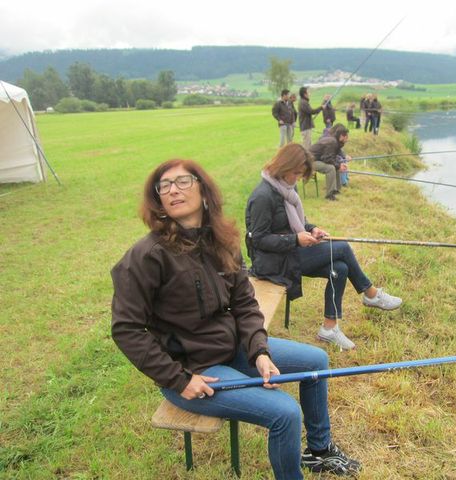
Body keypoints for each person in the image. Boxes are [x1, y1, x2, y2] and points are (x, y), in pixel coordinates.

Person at [111, 159, 361, 479]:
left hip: (231, 348)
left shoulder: (223, 241)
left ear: (204, 191)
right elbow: (126, 329)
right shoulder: (147, 256)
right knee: (285, 413)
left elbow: (244, 303)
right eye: (164, 186)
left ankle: (319, 451)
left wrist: (260, 352)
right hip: (194, 369)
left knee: (316, 360)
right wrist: (179, 379)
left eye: (182, 182)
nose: (173, 190)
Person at [245, 144, 403, 351]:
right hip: (273, 262)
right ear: (284, 167)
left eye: (301, 174)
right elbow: (258, 239)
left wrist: (312, 229)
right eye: (296, 173)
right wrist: (295, 240)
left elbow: (297, 222)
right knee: (342, 248)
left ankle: (329, 328)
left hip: (290, 253)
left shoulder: (285, 187)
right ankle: (371, 294)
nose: (297, 178)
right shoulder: (263, 196)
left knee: (340, 269)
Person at [309, 123, 350, 201]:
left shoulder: (335, 141)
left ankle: (336, 190)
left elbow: (333, 156)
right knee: (331, 168)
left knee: (336, 165)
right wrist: (339, 166)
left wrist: (339, 164)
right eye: (346, 137)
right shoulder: (332, 142)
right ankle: (329, 195)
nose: (347, 139)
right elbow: (327, 159)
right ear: (341, 136)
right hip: (310, 161)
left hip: (318, 159)